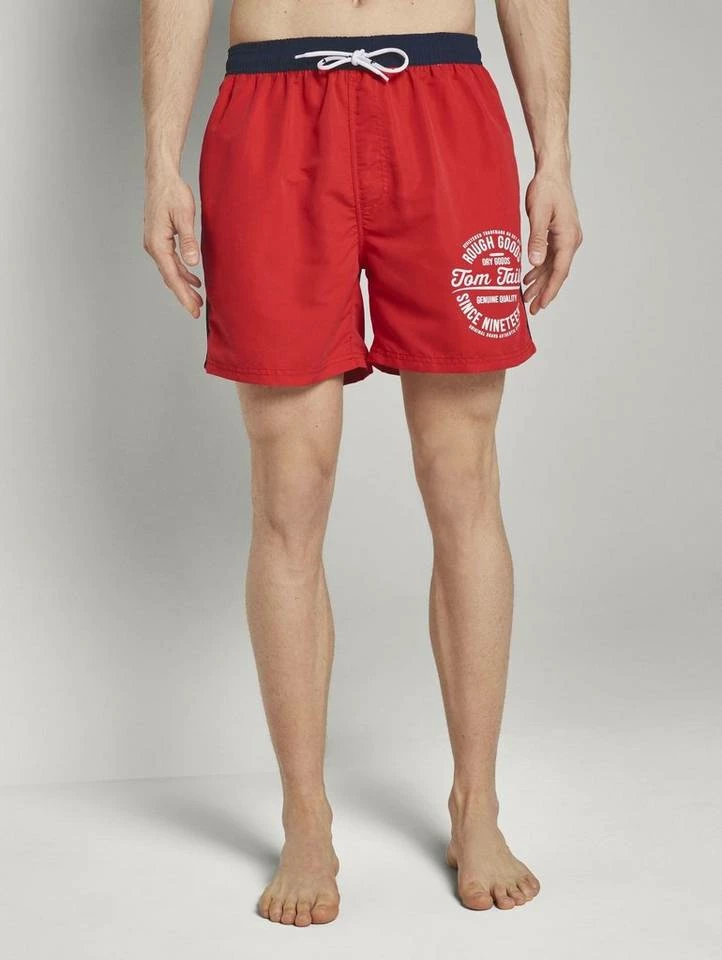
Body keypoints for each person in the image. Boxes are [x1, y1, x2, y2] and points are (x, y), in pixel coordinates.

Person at [141, 0, 582, 927]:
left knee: (463, 476)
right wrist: (158, 159)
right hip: (272, 109)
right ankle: (305, 815)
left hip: (442, 103)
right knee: (288, 489)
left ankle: (478, 803)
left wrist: (555, 158)